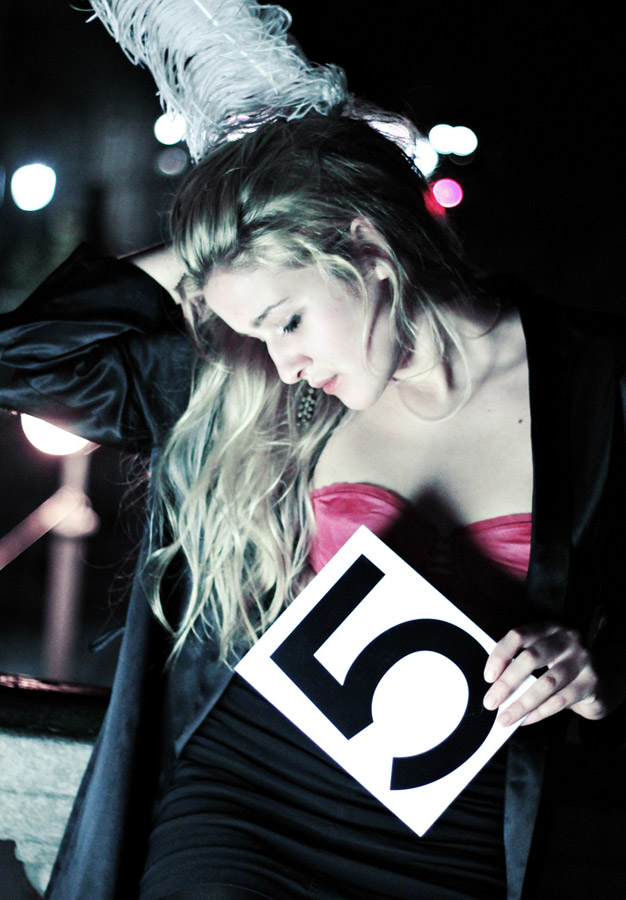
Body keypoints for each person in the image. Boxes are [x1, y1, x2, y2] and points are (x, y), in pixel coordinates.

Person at [1, 112, 625, 900]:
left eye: (288, 320)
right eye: (258, 333)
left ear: (367, 247)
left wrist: (595, 676)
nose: (286, 363)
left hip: (460, 843)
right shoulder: (251, 393)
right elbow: (23, 359)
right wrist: (222, 236)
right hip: (247, 806)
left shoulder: (601, 385)